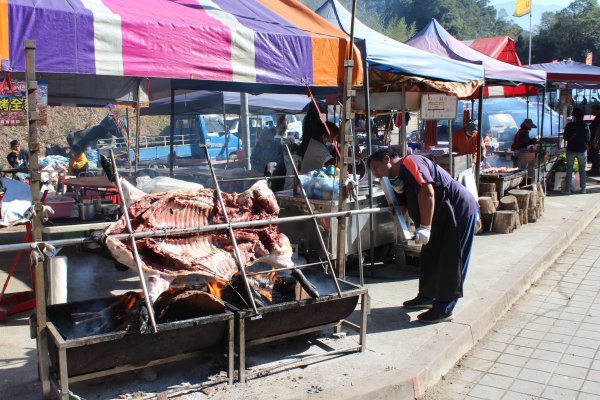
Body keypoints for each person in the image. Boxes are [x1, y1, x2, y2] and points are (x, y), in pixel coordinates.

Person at [367, 148, 479, 323]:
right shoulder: (397, 178)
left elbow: (427, 192)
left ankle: (444, 308)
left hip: (458, 211)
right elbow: (404, 204)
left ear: (387, 159)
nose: (375, 174)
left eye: (375, 168)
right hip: (439, 216)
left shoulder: (411, 162)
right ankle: (427, 296)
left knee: (451, 259)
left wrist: (425, 227)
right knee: (430, 255)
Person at [563, 108, 590, 194]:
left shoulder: (569, 125)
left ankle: (568, 189)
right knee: (582, 170)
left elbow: (565, 138)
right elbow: (588, 138)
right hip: (582, 150)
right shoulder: (585, 126)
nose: (572, 117)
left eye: (572, 116)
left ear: (575, 116)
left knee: (569, 169)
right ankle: (583, 189)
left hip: (571, 149)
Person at [588, 104, 600, 176]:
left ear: (597, 110)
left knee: (596, 155)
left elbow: (599, 128)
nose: (591, 111)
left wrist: (595, 140)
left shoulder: (599, 117)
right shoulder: (597, 117)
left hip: (596, 140)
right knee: (594, 155)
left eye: (592, 110)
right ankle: (594, 169)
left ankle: (596, 171)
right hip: (595, 140)